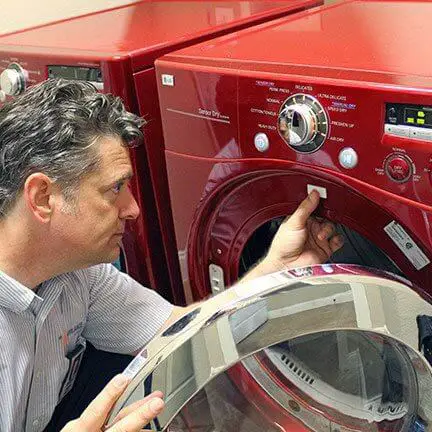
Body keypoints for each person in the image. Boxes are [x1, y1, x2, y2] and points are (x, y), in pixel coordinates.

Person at [0, 78, 343, 432]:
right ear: (42, 198)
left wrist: (275, 268)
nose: (133, 208)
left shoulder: (79, 276)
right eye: (115, 188)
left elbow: (182, 333)